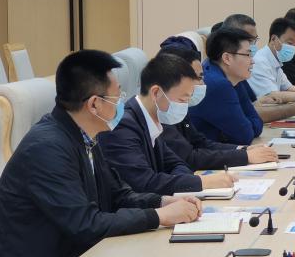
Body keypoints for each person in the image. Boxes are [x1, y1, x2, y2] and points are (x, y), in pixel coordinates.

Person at [0, 50, 201, 257]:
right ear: (94, 104)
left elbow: (118, 195)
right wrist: (159, 216)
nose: (122, 103)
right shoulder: (46, 149)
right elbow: (85, 224)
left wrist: (164, 202)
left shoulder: (84, 136)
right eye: (117, 96)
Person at [99, 53, 236, 195]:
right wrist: (202, 182)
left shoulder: (152, 120)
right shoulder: (123, 126)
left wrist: (182, 181)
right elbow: (144, 183)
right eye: (182, 100)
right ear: (156, 93)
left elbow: (177, 164)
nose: (185, 106)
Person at [155, 37, 279, 170]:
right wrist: (245, 156)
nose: (203, 83)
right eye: (198, 77)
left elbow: (200, 143)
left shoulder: (177, 105)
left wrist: (242, 150)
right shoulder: (160, 112)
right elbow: (189, 158)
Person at [188, 27, 264, 145]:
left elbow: (257, 122)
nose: (252, 61)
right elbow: (245, 135)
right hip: (201, 153)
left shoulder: (229, 76)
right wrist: (247, 126)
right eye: (248, 54)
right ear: (227, 58)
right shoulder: (218, 85)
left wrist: (245, 126)